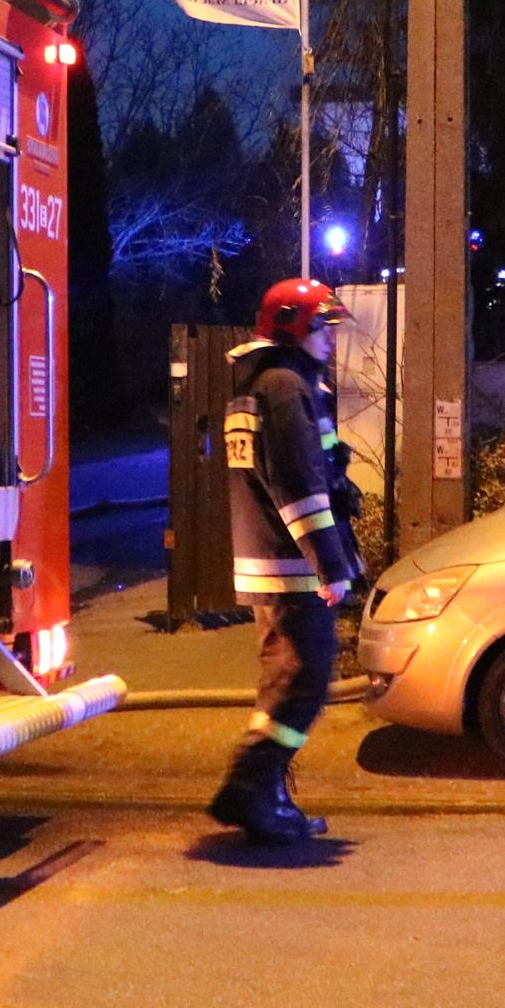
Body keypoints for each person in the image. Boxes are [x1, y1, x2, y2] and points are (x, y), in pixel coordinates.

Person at [207, 277, 366, 845]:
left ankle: (264, 791)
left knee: (287, 681)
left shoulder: (265, 386)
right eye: (322, 328)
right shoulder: (283, 387)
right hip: (294, 568)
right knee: (304, 681)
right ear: (293, 329)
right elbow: (297, 487)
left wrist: (338, 479)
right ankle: (251, 787)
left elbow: (309, 471)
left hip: (274, 563)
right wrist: (331, 565)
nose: (329, 339)